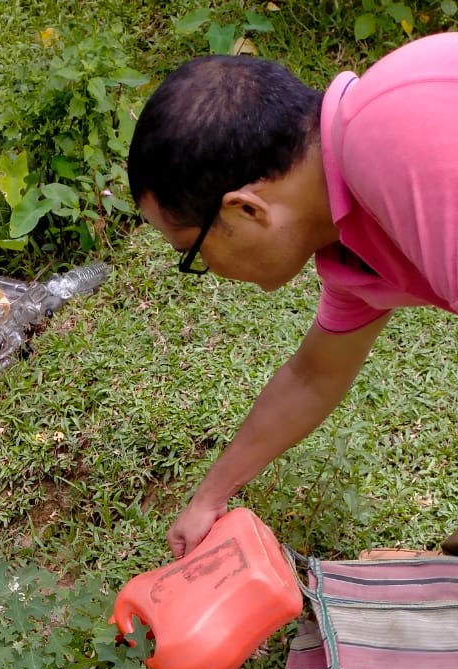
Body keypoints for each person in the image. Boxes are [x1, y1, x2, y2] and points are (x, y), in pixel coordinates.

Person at [127, 33, 458, 558]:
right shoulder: (351, 232)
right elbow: (314, 375)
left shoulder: (399, 143)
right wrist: (209, 498)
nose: (208, 270)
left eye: (193, 251)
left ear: (245, 210)